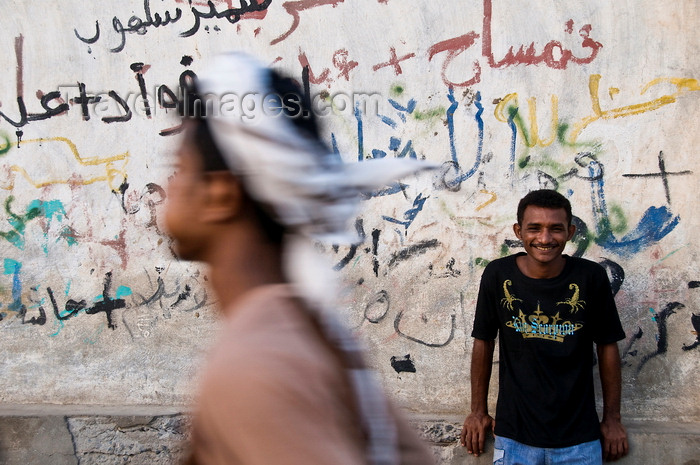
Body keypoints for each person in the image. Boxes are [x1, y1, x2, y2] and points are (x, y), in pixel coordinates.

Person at [165, 52, 436, 465]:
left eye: (180, 167)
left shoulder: (255, 367)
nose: (170, 183)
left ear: (220, 195)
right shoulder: (307, 336)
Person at [460, 189, 629, 464]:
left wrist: (612, 419)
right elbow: (483, 341)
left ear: (571, 232)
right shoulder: (498, 274)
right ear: (518, 231)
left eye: (556, 229)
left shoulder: (590, 277)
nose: (545, 238)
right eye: (534, 228)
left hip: (580, 440)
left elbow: (607, 345)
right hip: (514, 437)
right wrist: (478, 411)